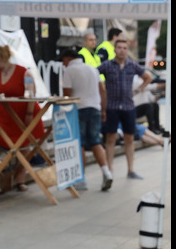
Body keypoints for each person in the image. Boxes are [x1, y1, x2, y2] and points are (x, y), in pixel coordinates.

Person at [0, 45, 45, 192]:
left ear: (1, 57)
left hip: (21, 114)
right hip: (4, 116)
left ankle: (20, 179)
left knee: (23, 147)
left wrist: (29, 115)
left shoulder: (24, 72)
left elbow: (31, 95)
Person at [97, 39, 153, 180]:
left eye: (124, 48)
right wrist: (101, 89)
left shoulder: (132, 65)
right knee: (110, 137)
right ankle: (109, 169)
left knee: (129, 138)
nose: (122, 50)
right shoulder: (107, 66)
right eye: (119, 47)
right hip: (112, 106)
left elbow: (148, 77)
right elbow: (94, 75)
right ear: (115, 49)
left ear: (127, 50)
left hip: (128, 106)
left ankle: (131, 170)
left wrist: (138, 90)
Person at [60, 48, 114, 192]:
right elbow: (102, 90)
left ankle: (81, 179)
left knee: (80, 143)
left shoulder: (69, 71)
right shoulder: (92, 69)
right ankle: (106, 172)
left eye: (63, 61)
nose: (63, 64)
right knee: (95, 141)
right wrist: (103, 109)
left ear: (68, 59)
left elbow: (67, 95)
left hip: (78, 109)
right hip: (94, 108)